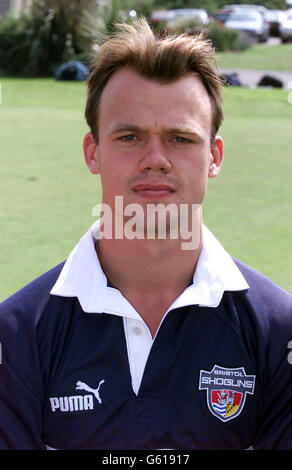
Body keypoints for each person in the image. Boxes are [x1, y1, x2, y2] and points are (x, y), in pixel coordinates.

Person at [0, 18, 292, 451]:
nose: (155, 159)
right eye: (130, 136)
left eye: (179, 138)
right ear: (93, 151)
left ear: (214, 156)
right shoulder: (17, 333)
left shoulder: (279, 331)